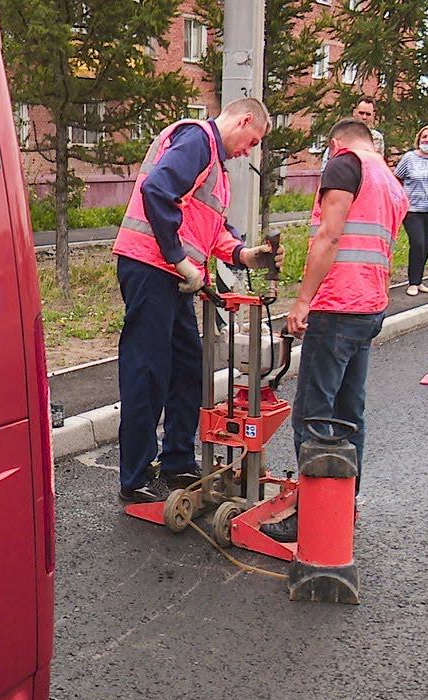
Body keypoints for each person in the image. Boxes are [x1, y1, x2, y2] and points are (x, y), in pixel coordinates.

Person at [112, 98, 285, 504]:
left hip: (173, 275)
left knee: (189, 366)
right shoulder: (197, 141)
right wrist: (177, 258)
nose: (248, 151)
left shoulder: (216, 169)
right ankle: (135, 477)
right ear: (244, 120)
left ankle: (176, 462)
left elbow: (208, 226)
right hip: (152, 267)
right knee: (148, 371)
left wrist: (244, 254)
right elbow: (158, 191)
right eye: (252, 140)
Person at [262, 118, 409, 542]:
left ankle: (313, 512)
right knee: (349, 413)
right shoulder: (389, 178)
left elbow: (329, 236)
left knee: (314, 414)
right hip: (371, 304)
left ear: (335, 143)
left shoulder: (345, 166)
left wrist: (304, 299)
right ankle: (344, 503)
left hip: (338, 304)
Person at [393, 125, 428, 296]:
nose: (427, 140)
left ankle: (419, 280)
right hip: (413, 208)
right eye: (424, 137)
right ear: (419, 139)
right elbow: (397, 177)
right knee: (417, 243)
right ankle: (412, 282)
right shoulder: (409, 158)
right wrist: (402, 197)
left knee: (426, 245)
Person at [320, 96, 384, 169]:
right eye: (361, 113)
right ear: (354, 112)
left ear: (373, 115)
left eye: (368, 114)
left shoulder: (377, 138)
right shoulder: (343, 134)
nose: (364, 117)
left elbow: (378, 165)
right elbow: (327, 162)